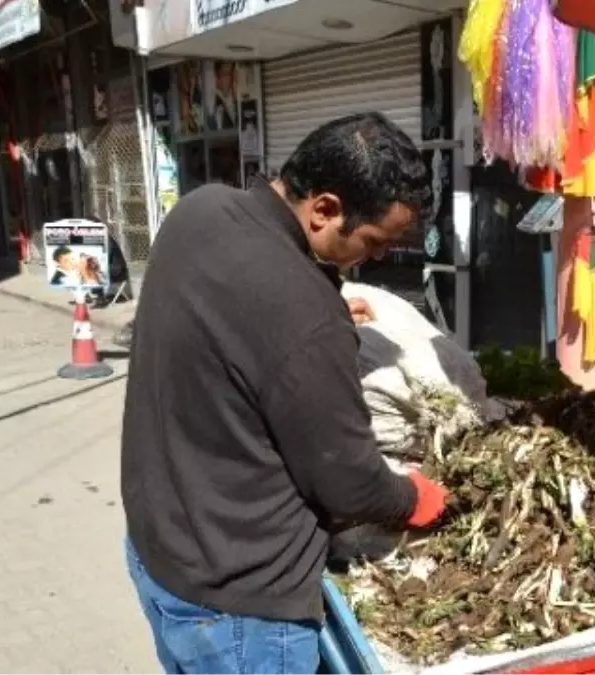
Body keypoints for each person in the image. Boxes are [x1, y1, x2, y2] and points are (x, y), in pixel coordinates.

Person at [122, 112, 449, 674]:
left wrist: (314, 304)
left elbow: (229, 308)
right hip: (240, 608)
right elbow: (349, 483)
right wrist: (415, 499)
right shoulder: (305, 317)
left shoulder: (199, 210)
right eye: (374, 242)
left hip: (159, 552)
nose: (373, 259)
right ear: (324, 208)